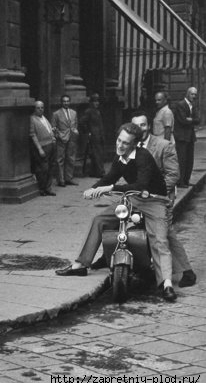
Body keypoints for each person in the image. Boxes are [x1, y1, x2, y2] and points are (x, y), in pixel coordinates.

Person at [55, 122, 177, 302]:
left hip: (154, 201)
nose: (120, 145)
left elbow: (141, 184)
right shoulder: (120, 158)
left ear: (134, 144)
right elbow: (110, 176)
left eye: (125, 143)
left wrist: (109, 188)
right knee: (99, 220)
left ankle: (166, 284)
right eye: (119, 140)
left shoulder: (143, 156)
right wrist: (94, 189)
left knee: (160, 240)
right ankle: (80, 264)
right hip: (133, 199)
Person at [130, 113, 196, 287]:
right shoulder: (131, 146)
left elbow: (173, 174)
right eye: (136, 126)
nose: (140, 129)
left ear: (149, 126)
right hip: (140, 198)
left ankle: (187, 272)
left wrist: (154, 192)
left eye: (143, 125)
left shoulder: (163, 145)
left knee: (165, 233)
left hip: (160, 197)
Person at [173, 87, 200, 187]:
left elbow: (198, 120)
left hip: (190, 136)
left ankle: (186, 180)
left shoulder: (193, 105)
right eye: (192, 94)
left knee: (189, 159)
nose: (194, 96)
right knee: (182, 160)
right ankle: (181, 181)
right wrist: (192, 120)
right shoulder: (180, 104)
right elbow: (183, 120)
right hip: (181, 136)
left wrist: (191, 119)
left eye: (195, 94)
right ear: (187, 94)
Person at [29, 101, 57, 196]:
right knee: (43, 169)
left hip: (51, 144)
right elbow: (33, 135)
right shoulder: (32, 119)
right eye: (38, 108)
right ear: (35, 109)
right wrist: (39, 149)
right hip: (43, 146)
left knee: (51, 167)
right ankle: (42, 188)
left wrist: (52, 134)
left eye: (42, 107)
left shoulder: (44, 118)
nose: (41, 109)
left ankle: (48, 188)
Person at [52, 94, 79, 187]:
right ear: (61, 102)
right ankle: (61, 180)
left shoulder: (74, 113)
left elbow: (75, 125)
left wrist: (75, 132)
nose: (66, 103)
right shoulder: (56, 114)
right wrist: (58, 135)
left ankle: (69, 178)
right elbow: (53, 127)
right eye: (64, 101)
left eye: (68, 101)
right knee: (60, 159)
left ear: (70, 102)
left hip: (72, 138)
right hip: (61, 139)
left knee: (71, 158)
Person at [80, 93, 105, 177]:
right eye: (94, 101)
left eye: (97, 101)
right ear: (91, 102)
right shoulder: (89, 111)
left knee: (98, 154)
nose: (97, 103)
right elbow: (82, 122)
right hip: (93, 136)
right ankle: (100, 172)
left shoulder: (97, 111)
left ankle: (94, 172)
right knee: (96, 154)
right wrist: (88, 132)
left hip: (99, 135)